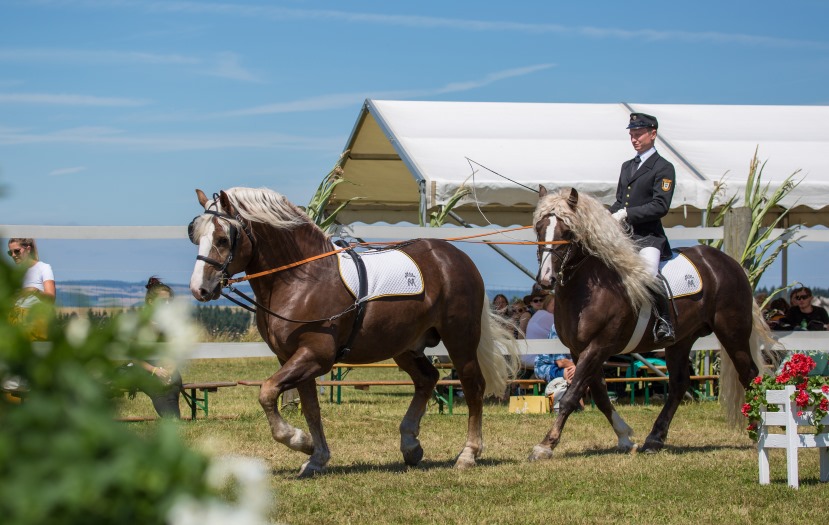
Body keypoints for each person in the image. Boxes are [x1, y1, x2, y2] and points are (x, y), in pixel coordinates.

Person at [609, 112, 676, 345]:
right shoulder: (627, 166)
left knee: (649, 275)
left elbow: (660, 205)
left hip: (648, 237)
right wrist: (606, 216)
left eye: (638, 134)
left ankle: (663, 322)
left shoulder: (664, 168)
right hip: (625, 238)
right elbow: (620, 201)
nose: (634, 139)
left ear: (652, 134)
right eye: (632, 135)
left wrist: (628, 214)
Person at [127, 276, 183, 418]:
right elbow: (134, 356)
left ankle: (174, 422)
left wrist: (171, 368)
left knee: (172, 388)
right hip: (145, 370)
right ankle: (172, 422)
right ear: (150, 302)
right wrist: (155, 371)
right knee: (158, 390)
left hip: (167, 368)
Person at [7, 237, 55, 340]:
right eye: (10, 253)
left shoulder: (43, 268)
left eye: (17, 251)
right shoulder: (14, 272)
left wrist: (34, 291)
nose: (14, 255)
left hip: (36, 319)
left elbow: (51, 298)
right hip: (15, 319)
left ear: (28, 249)